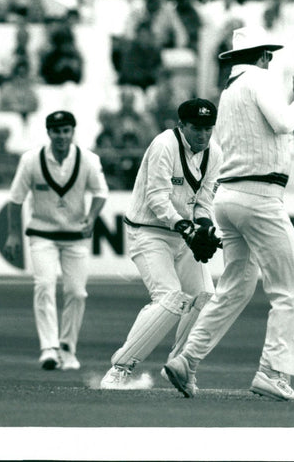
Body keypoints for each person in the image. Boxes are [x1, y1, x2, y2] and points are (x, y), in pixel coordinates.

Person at [164, 26, 294, 402]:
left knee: (235, 287)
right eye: (269, 54)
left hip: (229, 197)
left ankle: (187, 360)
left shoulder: (230, 89)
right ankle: (273, 372)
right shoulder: (259, 79)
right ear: (264, 55)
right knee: (292, 287)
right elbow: (284, 123)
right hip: (259, 195)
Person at [100, 99, 223, 390]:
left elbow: (204, 202)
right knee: (170, 299)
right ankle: (120, 368)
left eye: (208, 128)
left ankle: (179, 367)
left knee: (205, 297)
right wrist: (185, 227)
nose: (203, 135)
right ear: (181, 126)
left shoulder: (214, 153)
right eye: (196, 128)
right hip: (148, 232)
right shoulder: (164, 145)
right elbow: (157, 198)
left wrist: (203, 228)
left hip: (183, 234)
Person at [3, 111, 109, 370]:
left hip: (75, 237)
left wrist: (92, 217)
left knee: (76, 292)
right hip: (42, 234)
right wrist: (14, 234)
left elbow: (100, 191)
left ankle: (67, 349)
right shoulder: (31, 160)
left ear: (73, 132)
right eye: (56, 131)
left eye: (66, 131)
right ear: (48, 132)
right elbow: (15, 199)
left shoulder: (88, 159)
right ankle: (48, 348)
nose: (61, 136)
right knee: (44, 285)